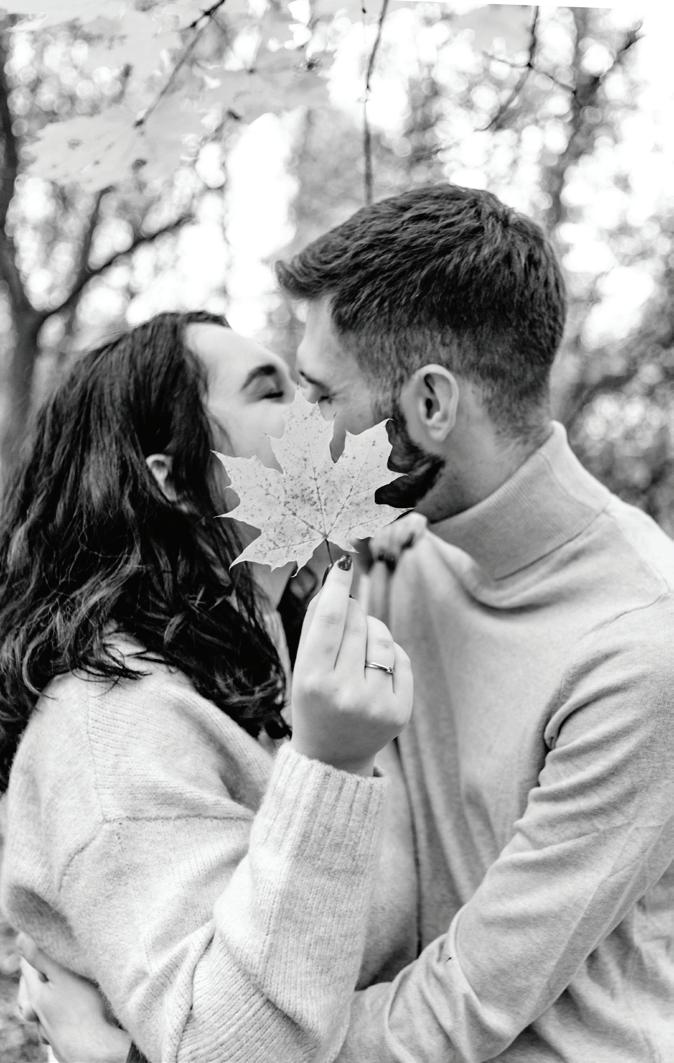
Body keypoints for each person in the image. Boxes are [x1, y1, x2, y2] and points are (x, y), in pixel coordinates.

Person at [15, 183, 674, 1062]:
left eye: (321, 394)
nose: (309, 427)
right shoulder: (382, 559)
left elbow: (469, 999)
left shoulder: (638, 649)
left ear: (429, 407)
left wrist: (146, 1055)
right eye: (285, 391)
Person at [0, 310, 416, 1063]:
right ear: (174, 480)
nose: (317, 409)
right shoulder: (116, 723)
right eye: (271, 392)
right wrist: (332, 767)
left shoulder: (284, 651)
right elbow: (228, 1047)